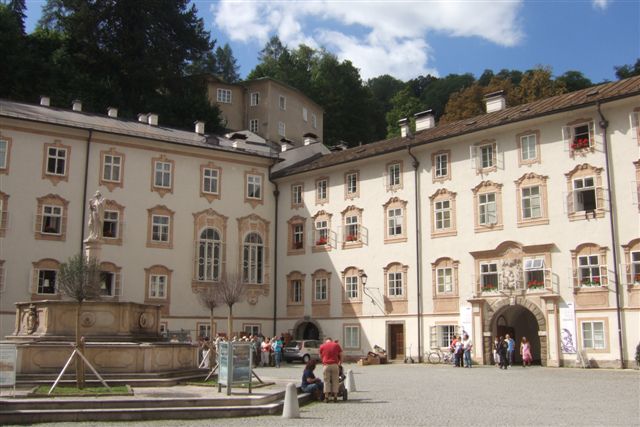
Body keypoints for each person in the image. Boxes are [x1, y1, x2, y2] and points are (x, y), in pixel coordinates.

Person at [319, 336, 343, 402]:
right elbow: (341, 354)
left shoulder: (322, 346)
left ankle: (326, 397)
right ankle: (335, 397)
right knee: (335, 381)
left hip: (326, 365)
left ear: (326, 341)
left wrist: (323, 362)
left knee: (326, 381)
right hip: (335, 364)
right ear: (331, 340)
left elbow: (320, 356)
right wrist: (340, 363)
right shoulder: (336, 345)